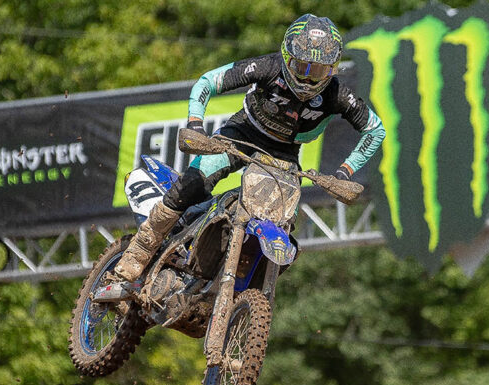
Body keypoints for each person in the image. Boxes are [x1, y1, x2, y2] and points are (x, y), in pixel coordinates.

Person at [107, 14, 385, 284]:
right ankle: (139, 252)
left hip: (284, 154)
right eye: (303, 68)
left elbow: (375, 129)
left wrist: (345, 171)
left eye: (320, 71)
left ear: (332, 69)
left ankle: (238, 286)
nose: (310, 80)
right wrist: (195, 124)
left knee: (284, 228)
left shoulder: (337, 94)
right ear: (288, 58)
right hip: (242, 133)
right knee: (191, 183)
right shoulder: (267, 67)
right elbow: (208, 82)